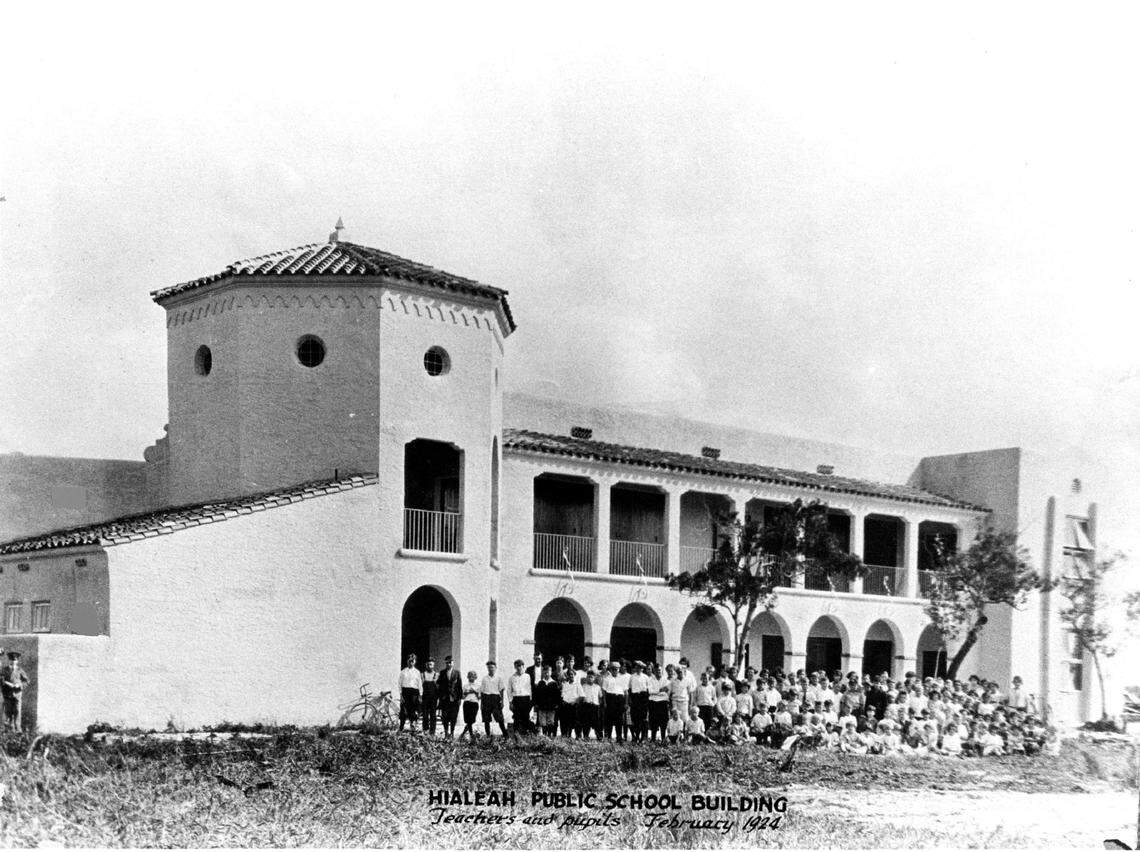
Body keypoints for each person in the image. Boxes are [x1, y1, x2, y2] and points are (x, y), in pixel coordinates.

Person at [1, 651, 29, 733]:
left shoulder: (20, 670)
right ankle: (8, 730)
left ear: (17, 661)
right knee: (8, 712)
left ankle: (18, 730)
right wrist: (7, 683)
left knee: (17, 711)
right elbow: (1, 679)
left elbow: (27, 681)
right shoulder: (4, 670)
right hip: (7, 694)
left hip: (17, 695)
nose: (13, 662)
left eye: (15, 660)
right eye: (11, 660)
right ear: (9, 661)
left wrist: (19, 685)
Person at [601, 661, 629, 741]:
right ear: (610, 669)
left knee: (619, 720)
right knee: (609, 719)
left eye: (616, 669)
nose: (615, 671)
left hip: (620, 699)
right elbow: (604, 691)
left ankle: (619, 737)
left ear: (619, 669)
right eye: (613, 669)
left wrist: (626, 703)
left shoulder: (623, 679)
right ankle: (608, 737)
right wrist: (605, 702)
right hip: (610, 698)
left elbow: (626, 692)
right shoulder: (607, 679)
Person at [479, 661, 508, 737]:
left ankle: (505, 734)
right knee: (486, 719)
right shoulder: (484, 678)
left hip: (496, 699)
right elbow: (482, 692)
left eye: (492, 667)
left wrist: (502, 701)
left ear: (495, 668)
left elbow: (501, 690)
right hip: (486, 698)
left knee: (500, 718)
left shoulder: (499, 678)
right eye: (489, 668)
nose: (490, 669)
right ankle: (488, 736)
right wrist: (481, 703)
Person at [506, 659, 533, 736]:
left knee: (525, 718)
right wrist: (510, 702)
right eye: (517, 666)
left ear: (523, 666)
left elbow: (530, 688)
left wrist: (530, 701)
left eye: (520, 666)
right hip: (516, 699)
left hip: (526, 699)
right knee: (516, 718)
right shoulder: (512, 677)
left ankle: (525, 735)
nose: (519, 668)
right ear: (515, 667)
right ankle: (516, 736)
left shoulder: (527, 676)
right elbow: (509, 690)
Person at [438, 656, 463, 738]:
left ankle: (452, 732)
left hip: (454, 699)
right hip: (444, 698)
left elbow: (459, 686)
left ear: (453, 663)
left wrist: (459, 698)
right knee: (444, 716)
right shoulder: (442, 673)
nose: (449, 664)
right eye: (447, 663)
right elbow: (439, 686)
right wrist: (439, 697)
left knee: (453, 717)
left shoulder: (457, 673)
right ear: (445, 663)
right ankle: (446, 732)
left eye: (450, 662)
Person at [397, 653, 423, 732]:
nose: (411, 662)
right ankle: (401, 726)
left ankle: (413, 726)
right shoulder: (403, 672)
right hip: (405, 692)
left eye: (413, 661)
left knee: (413, 710)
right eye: (409, 661)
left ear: (415, 662)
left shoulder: (417, 672)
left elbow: (419, 684)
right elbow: (399, 684)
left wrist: (420, 695)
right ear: (407, 661)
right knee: (403, 711)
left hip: (414, 693)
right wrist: (401, 695)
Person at [627, 660, 651, 742]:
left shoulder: (646, 677)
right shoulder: (632, 677)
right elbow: (629, 689)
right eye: (637, 667)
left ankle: (643, 737)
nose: (638, 669)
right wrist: (630, 699)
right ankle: (636, 736)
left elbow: (648, 690)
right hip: (635, 698)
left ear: (642, 669)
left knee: (643, 719)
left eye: (640, 668)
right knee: (635, 718)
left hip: (643, 698)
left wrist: (647, 701)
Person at [533, 665, 559, 736]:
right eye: (545, 672)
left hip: (551, 706)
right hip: (542, 706)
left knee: (550, 721)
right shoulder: (540, 683)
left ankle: (549, 735)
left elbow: (557, 695)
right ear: (543, 673)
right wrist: (536, 704)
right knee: (543, 722)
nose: (546, 674)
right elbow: (537, 695)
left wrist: (556, 704)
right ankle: (544, 735)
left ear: (551, 672)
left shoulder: (554, 683)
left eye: (548, 672)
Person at [647, 663, 670, 742]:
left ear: (662, 671)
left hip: (663, 703)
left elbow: (666, 691)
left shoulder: (666, 680)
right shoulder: (650, 680)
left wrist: (656, 692)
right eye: (656, 671)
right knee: (654, 722)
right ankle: (653, 739)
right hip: (653, 703)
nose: (658, 672)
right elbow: (650, 691)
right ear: (654, 671)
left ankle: (663, 739)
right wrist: (660, 690)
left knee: (663, 722)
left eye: (659, 670)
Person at [559, 668, 583, 737]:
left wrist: (575, 701)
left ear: (574, 675)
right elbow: (562, 695)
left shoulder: (578, 684)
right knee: (566, 722)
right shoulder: (565, 684)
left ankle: (578, 737)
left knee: (576, 723)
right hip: (567, 706)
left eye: (572, 674)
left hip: (575, 706)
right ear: (567, 676)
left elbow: (582, 696)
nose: (571, 676)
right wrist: (564, 702)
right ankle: (567, 736)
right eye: (569, 675)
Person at [579, 669, 603, 739]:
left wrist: (598, 704)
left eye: (591, 677)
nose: (590, 678)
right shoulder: (584, 686)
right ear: (586, 677)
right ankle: (586, 736)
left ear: (594, 678)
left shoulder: (597, 687)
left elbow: (600, 697)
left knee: (597, 723)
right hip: (586, 706)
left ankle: (599, 736)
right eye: (588, 677)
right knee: (586, 722)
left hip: (595, 706)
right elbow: (582, 696)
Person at [459, 671, 481, 741]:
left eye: (473, 676)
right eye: (470, 676)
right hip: (467, 703)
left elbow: (480, 697)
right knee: (468, 720)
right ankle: (471, 735)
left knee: (471, 720)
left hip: (474, 703)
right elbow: (462, 697)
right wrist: (467, 692)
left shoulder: (478, 686)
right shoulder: (465, 686)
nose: (471, 678)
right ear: (467, 677)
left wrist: (475, 691)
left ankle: (463, 733)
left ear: (475, 677)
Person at [421, 658, 440, 735]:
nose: (429, 666)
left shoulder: (437, 675)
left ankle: (432, 732)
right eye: (428, 664)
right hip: (425, 697)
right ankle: (425, 731)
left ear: (433, 665)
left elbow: (438, 688)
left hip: (433, 698)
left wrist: (438, 698)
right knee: (425, 715)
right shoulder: (422, 674)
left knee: (433, 715)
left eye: (431, 664)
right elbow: (420, 686)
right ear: (426, 665)